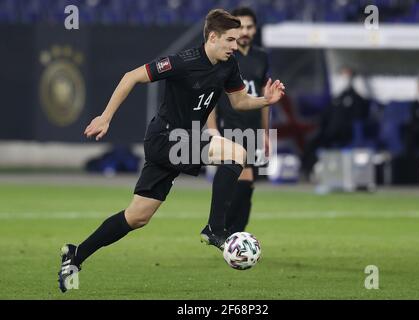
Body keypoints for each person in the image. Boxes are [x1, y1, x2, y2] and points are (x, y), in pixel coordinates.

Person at [58, 9, 285, 293]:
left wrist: (266, 100)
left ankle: (76, 255)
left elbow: (238, 102)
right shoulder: (182, 62)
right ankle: (215, 229)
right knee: (237, 153)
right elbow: (131, 77)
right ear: (212, 37)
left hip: (182, 141)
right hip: (166, 139)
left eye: (236, 39)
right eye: (229, 40)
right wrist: (105, 117)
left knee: (137, 216)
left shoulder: (229, 64)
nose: (234, 45)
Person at [206, 7, 270, 234]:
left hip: (253, 128)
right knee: (241, 182)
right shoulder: (225, 57)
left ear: (255, 29)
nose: (245, 31)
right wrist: (213, 130)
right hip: (230, 127)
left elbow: (264, 97)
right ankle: (222, 230)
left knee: (247, 185)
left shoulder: (261, 57)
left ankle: (232, 233)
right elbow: (212, 98)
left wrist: (265, 132)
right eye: (240, 26)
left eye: (249, 27)